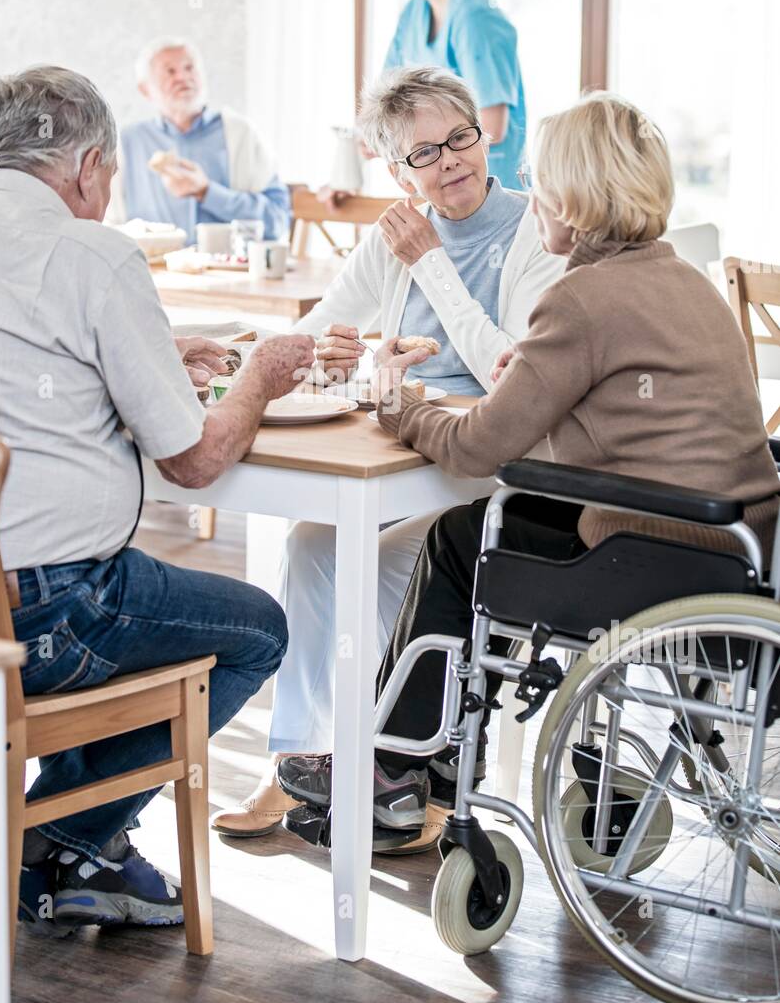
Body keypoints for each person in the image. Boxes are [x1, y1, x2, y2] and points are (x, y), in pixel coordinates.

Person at [276, 91, 780, 847]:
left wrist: (395, 406)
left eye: (541, 179)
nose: (527, 191)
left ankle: (398, 767)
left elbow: (481, 445)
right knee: (473, 526)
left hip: (652, 552)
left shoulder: (580, 298)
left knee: (459, 538)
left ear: (572, 201)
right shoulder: (688, 282)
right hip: (739, 545)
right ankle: (423, 763)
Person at [0, 65, 314, 934]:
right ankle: (65, 835)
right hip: (43, 617)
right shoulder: (92, 252)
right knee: (258, 630)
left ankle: (73, 849)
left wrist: (147, 345)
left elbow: (7, 355)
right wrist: (260, 376)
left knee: (148, 605)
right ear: (91, 164)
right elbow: (197, 462)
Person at [212, 66, 563, 846]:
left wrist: (432, 263)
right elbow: (326, 330)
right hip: (405, 449)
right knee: (312, 547)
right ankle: (304, 757)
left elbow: (511, 373)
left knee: (366, 569)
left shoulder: (535, 229)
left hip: (481, 469)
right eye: (424, 154)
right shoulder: (393, 237)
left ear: (483, 133)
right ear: (396, 170)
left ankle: (399, 766)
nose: (450, 161)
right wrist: (332, 354)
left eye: (460, 138)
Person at [371, 0, 527, 191]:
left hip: (492, 194)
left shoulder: (476, 17)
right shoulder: (414, 13)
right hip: (441, 193)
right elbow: (382, 105)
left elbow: (492, 125)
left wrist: (426, 148)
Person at [118, 36, 291, 239]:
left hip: (229, 269)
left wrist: (207, 192)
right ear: (145, 90)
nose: (182, 77)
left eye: (190, 68)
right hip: (151, 270)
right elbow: (108, 229)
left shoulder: (241, 134)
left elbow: (277, 222)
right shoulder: (124, 144)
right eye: (170, 71)